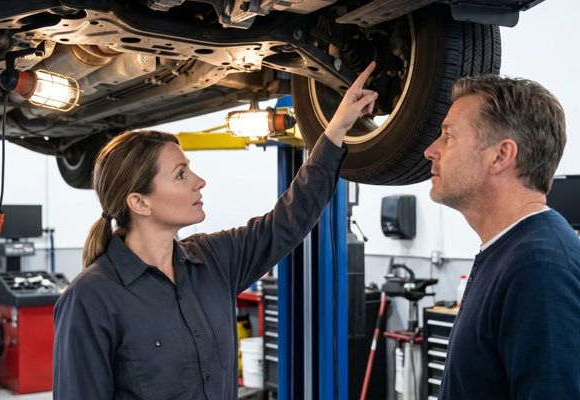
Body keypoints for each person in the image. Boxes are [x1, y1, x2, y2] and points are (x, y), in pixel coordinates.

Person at [52, 62, 378, 400]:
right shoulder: (90, 299)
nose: (199, 182)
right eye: (181, 174)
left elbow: (288, 221)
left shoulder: (214, 259)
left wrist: (336, 128)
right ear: (139, 202)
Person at [424, 75, 580, 399]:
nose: (430, 151)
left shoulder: (539, 267)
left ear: (500, 155)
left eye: (448, 137)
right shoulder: (510, 251)